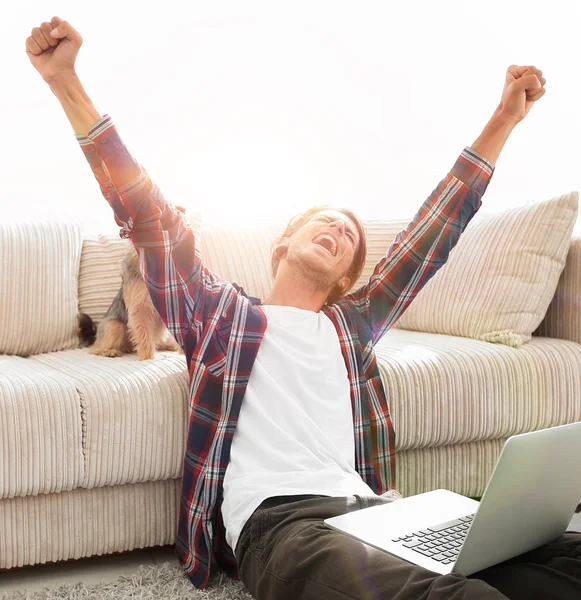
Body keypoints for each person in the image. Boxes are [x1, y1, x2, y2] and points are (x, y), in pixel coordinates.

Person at [26, 16, 581, 599]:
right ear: (282, 244)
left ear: (347, 278)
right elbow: (149, 218)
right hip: (285, 526)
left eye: (350, 235)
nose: (340, 229)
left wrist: (504, 118)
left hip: (378, 514)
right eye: (326, 221)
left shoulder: (351, 327)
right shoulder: (223, 319)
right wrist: (66, 82)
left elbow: (433, 234)